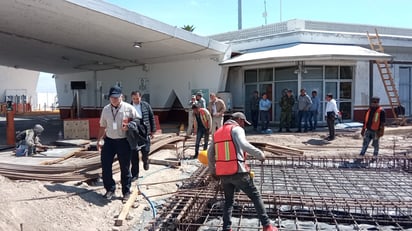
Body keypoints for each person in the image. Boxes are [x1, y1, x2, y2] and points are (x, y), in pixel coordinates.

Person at [207, 112, 277, 231]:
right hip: (238, 171)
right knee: (255, 197)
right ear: (239, 120)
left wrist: (213, 170)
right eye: (243, 122)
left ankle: (227, 228)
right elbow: (244, 145)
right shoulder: (236, 129)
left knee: (228, 201)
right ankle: (267, 226)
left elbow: (210, 154)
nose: (243, 125)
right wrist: (260, 154)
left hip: (223, 174)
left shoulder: (217, 132)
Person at [97, 86, 138, 201]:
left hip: (124, 141)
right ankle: (110, 189)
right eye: (112, 97)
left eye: (116, 97)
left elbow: (138, 122)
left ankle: (126, 191)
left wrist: (131, 126)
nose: (114, 99)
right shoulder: (105, 110)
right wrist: (99, 140)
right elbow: (102, 126)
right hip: (109, 141)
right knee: (106, 166)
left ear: (121, 97)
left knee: (124, 167)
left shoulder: (129, 108)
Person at [130, 91, 156, 181]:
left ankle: (145, 160)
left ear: (140, 97)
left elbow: (151, 117)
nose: (136, 100)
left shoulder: (146, 105)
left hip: (143, 129)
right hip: (133, 130)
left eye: (137, 98)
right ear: (131, 98)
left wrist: (152, 130)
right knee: (134, 153)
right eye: (134, 99)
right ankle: (135, 174)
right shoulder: (128, 107)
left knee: (145, 150)